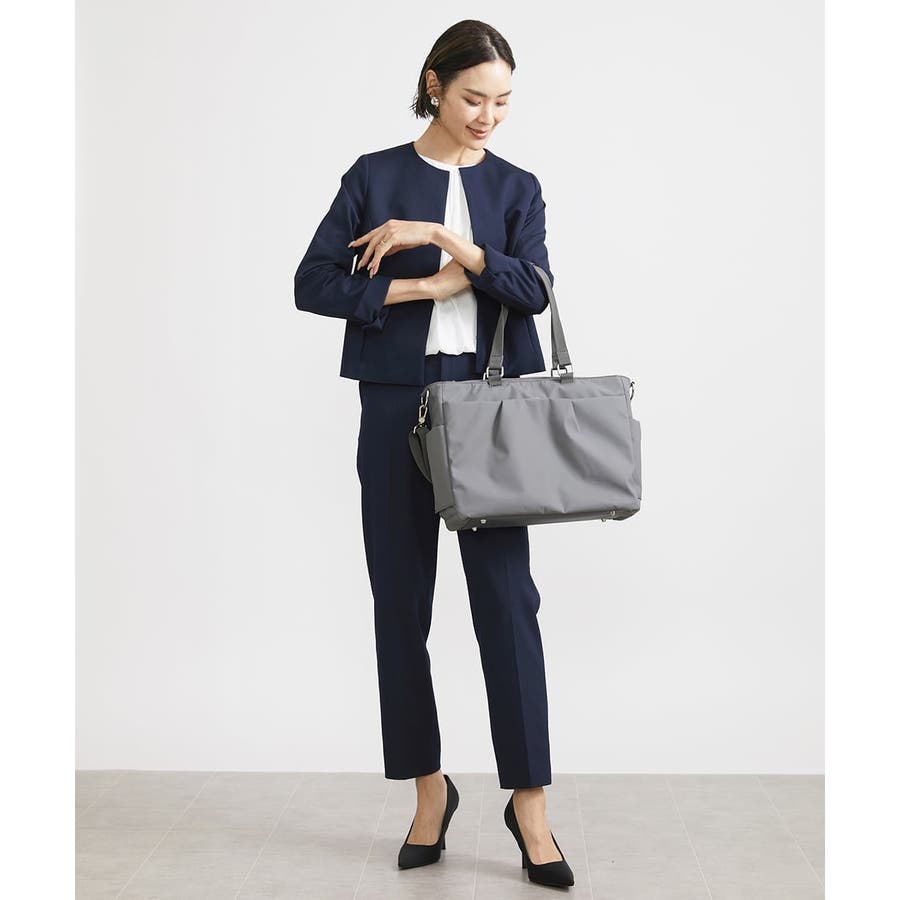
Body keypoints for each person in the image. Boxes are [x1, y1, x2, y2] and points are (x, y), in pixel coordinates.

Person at [293, 19, 574, 888]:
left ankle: (530, 805)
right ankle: (427, 791)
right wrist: (420, 284)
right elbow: (313, 283)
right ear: (434, 86)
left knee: (507, 605)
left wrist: (454, 243)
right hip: (395, 405)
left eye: (503, 101)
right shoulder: (372, 176)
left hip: (489, 409)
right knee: (400, 602)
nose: (488, 115)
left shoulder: (517, 187)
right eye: (473, 98)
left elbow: (534, 287)